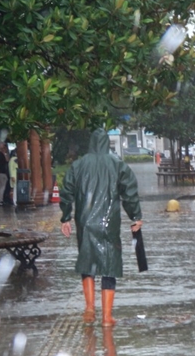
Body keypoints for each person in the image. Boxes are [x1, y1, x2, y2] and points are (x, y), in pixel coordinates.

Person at [59, 128, 142, 327]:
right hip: (109, 222)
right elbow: (129, 191)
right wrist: (135, 216)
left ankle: (89, 307)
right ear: (106, 143)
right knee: (109, 266)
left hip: (85, 222)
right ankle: (107, 317)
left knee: (87, 262)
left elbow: (66, 191)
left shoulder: (78, 165)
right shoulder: (117, 164)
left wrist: (66, 217)